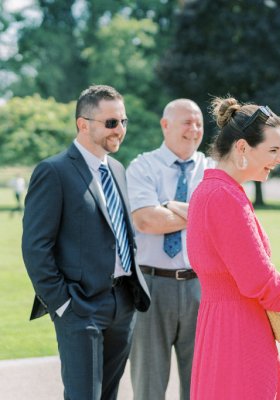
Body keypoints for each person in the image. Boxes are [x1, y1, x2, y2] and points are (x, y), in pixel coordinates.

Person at [21, 85, 151, 400]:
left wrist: (130, 297)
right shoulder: (53, 171)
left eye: (123, 121)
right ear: (83, 124)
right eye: (110, 123)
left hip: (124, 303)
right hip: (80, 307)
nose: (119, 130)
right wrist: (64, 304)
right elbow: (36, 248)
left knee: (109, 396)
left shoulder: (117, 169)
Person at [186, 97, 280, 399]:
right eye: (273, 150)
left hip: (221, 328)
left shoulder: (212, 191)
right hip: (239, 333)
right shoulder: (224, 197)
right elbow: (259, 278)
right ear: (242, 148)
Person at [126, 99, 215, 400]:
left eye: (199, 123)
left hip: (203, 287)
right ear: (165, 125)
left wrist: (169, 207)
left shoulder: (213, 169)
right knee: (148, 386)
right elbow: (146, 220)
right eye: (187, 122)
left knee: (201, 386)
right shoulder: (142, 167)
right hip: (151, 286)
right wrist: (201, 213)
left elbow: (223, 221)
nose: (194, 129)